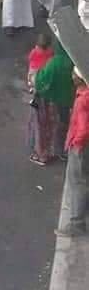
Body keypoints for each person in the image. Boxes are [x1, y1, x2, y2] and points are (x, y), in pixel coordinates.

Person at [29, 40, 74, 165]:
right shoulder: (72, 60)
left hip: (50, 102)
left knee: (45, 126)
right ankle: (63, 150)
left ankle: (43, 154)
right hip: (67, 100)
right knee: (64, 124)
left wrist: (33, 77)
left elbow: (39, 81)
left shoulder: (53, 63)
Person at [64, 67, 89, 235]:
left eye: (74, 75)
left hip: (80, 146)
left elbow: (83, 128)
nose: (72, 77)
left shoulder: (82, 100)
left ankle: (76, 224)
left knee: (78, 182)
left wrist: (76, 144)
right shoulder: (84, 94)